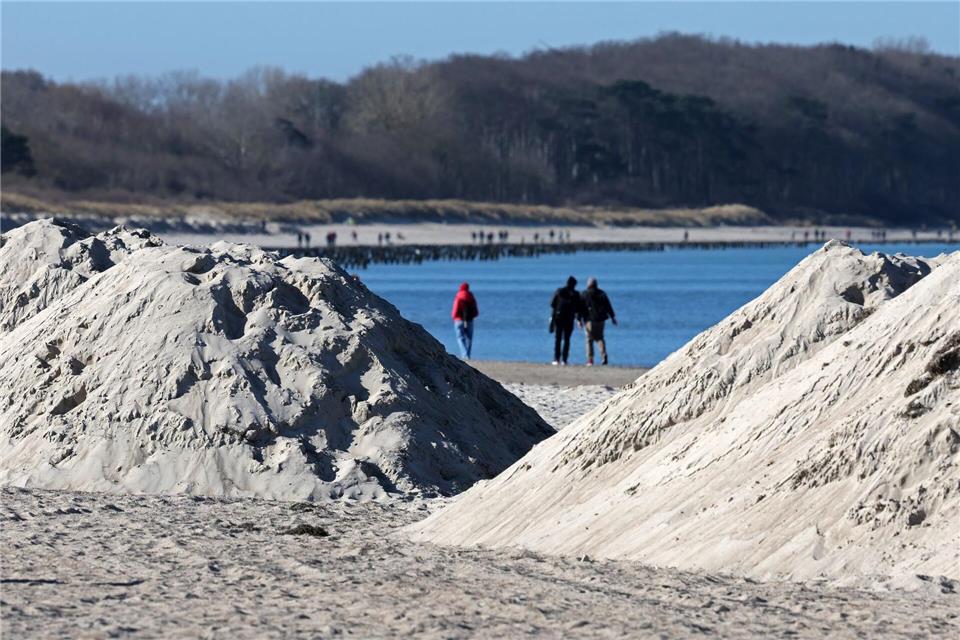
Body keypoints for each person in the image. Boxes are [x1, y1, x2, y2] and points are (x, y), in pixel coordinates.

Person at [580, 277, 617, 365]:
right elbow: (608, 306)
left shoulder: (584, 294)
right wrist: (613, 318)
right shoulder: (602, 293)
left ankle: (590, 360)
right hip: (601, 320)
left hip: (589, 320)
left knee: (589, 339)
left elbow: (580, 308)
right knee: (600, 338)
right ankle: (603, 356)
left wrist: (578, 319)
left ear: (588, 284)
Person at [550, 276, 583, 366]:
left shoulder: (559, 291)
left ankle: (556, 359)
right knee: (567, 339)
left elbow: (552, 304)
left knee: (558, 338)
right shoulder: (576, 294)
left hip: (558, 317)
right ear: (574, 285)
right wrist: (579, 319)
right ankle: (564, 360)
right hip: (569, 318)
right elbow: (579, 308)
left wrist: (552, 317)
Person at [451, 282, 479, 359]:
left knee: (460, 338)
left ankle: (464, 354)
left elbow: (455, 308)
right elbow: (475, 309)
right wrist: (474, 315)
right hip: (469, 320)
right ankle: (468, 355)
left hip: (459, 320)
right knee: (469, 338)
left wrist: (454, 317)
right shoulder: (471, 296)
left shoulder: (458, 296)